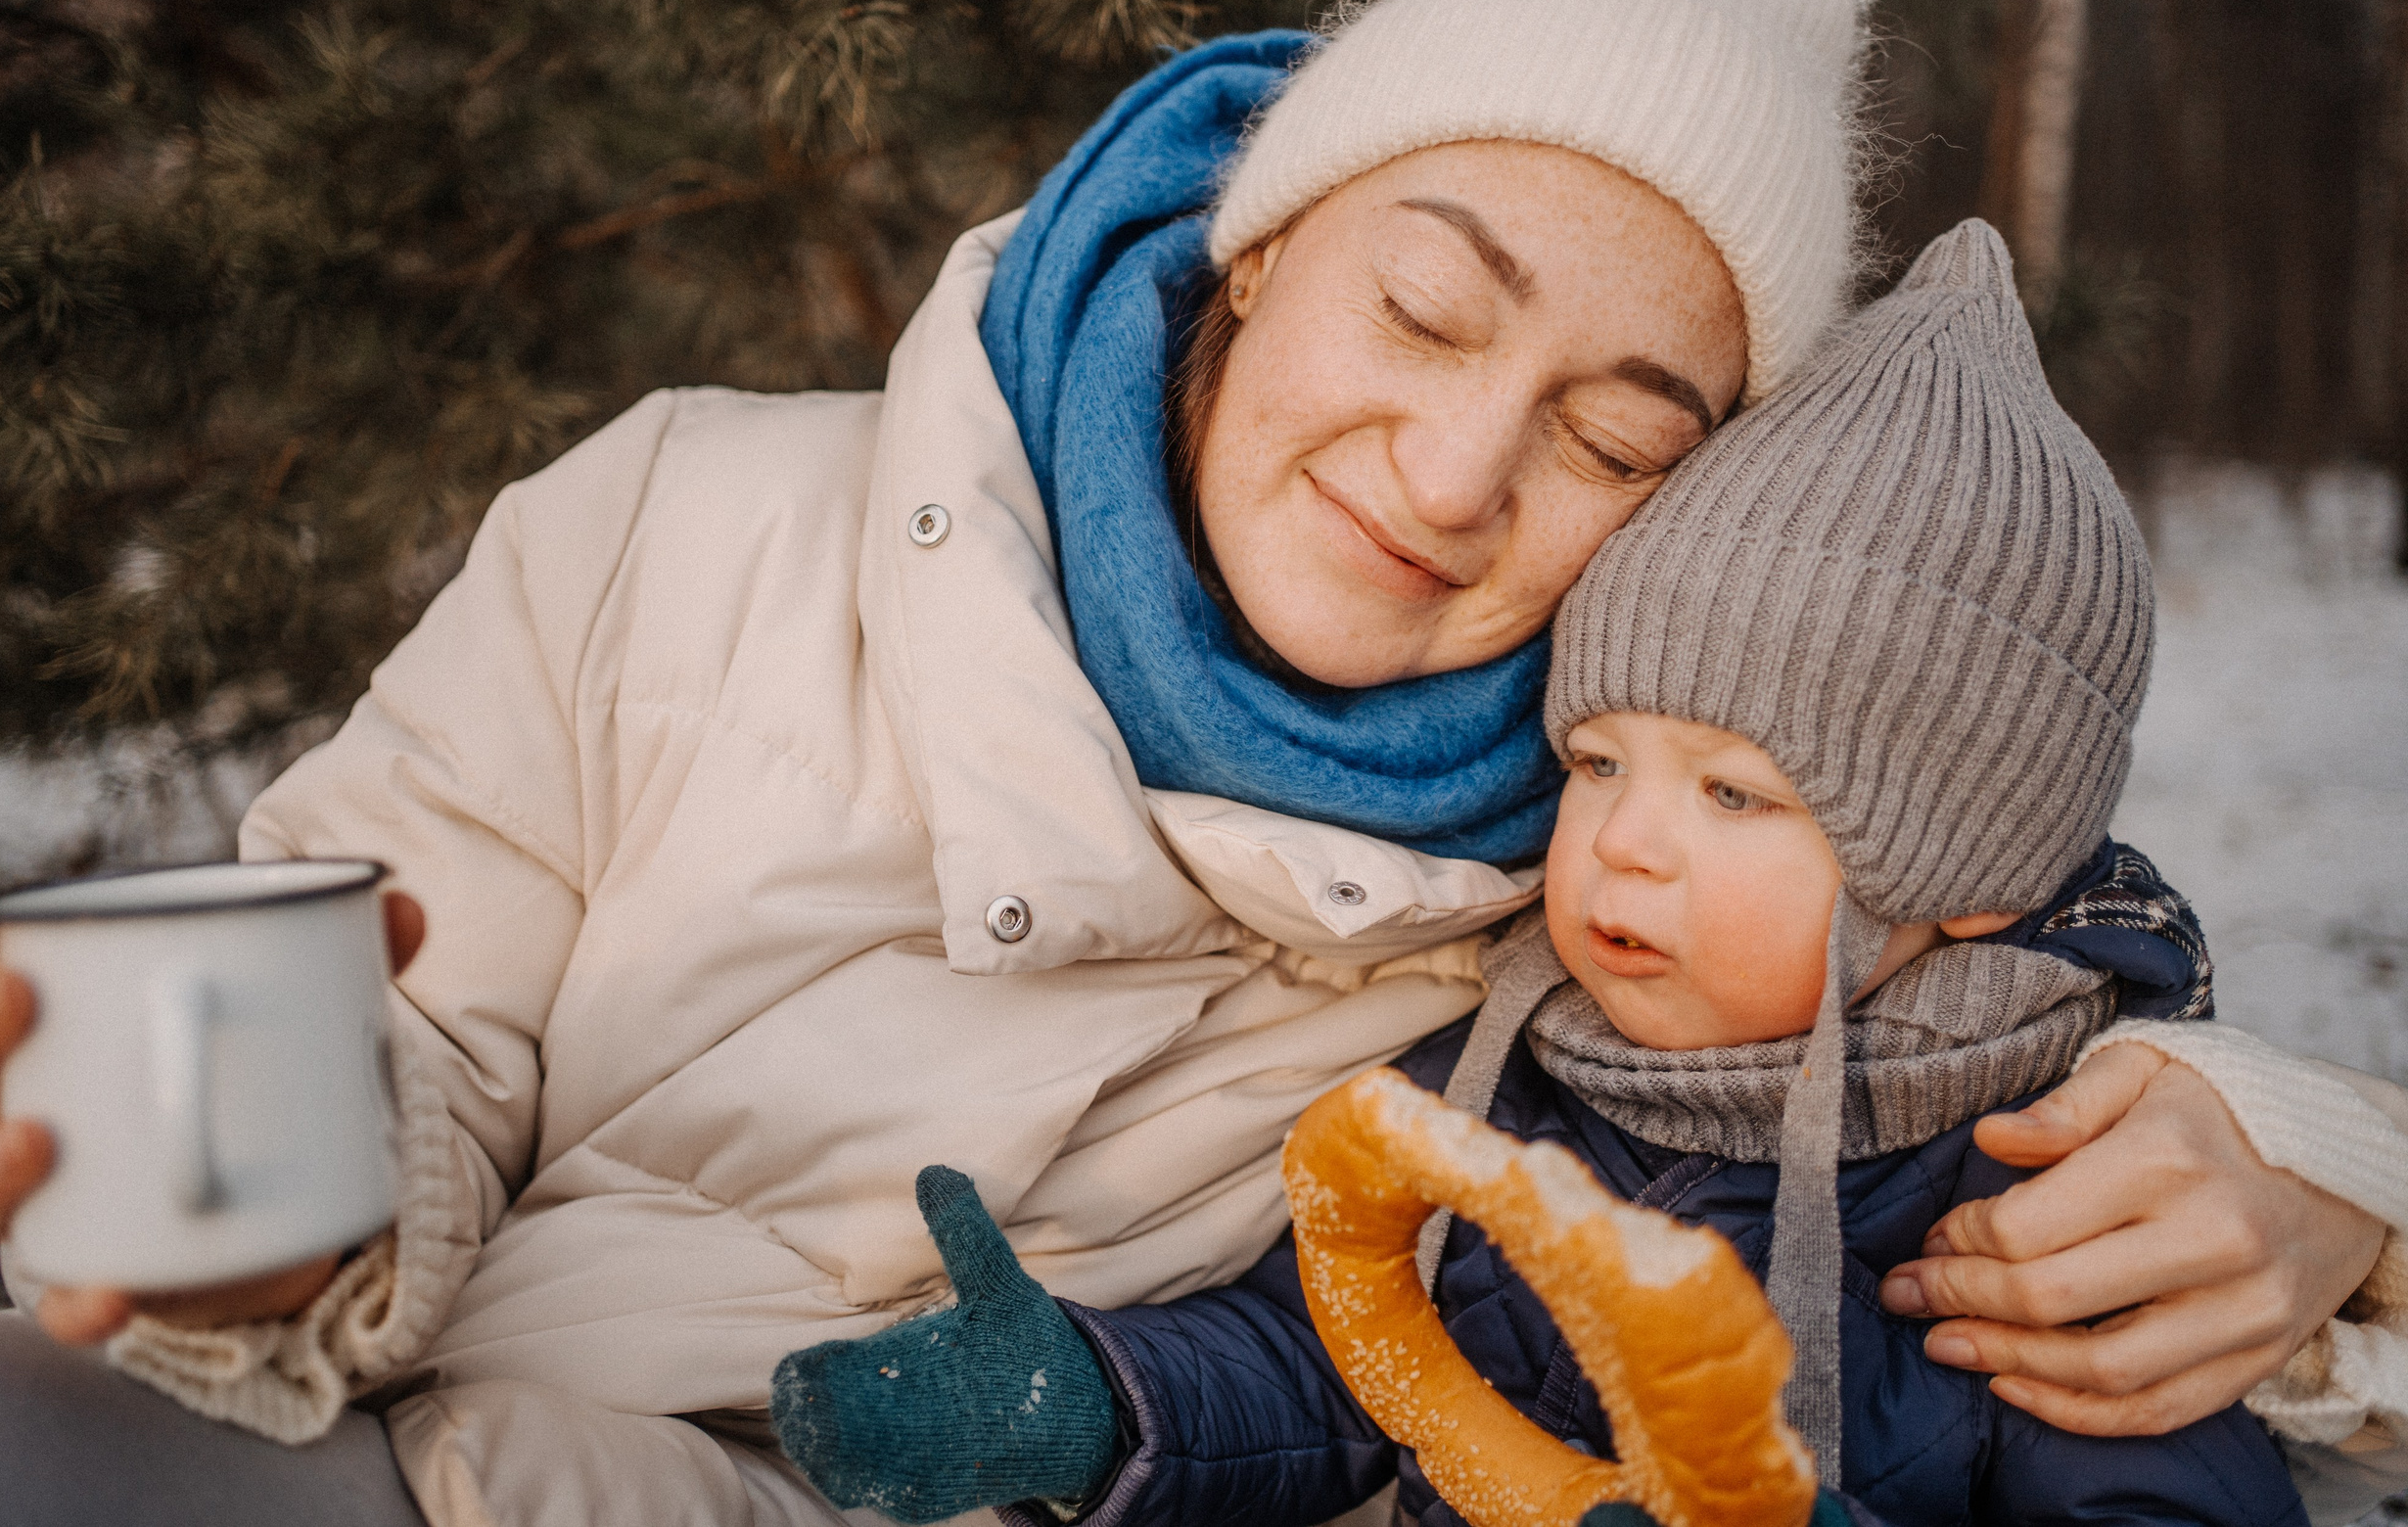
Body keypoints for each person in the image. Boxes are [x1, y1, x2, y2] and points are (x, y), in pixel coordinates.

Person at [0, 0, 2399, 1526]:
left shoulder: (1602, 853)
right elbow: (392, 1012)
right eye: (1422, 309)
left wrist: (2320, 1169)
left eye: (1614, 438)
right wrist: (234, 1182)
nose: (1451, 464)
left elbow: (1995, 933)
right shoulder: (677, 519)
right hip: (370, 1453)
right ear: (1256, 239)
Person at [765, 221, 2324, 1526]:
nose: (1626, 840)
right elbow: (1325, 1363)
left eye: (1734, 793)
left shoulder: (2033, 1200)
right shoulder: (1507, 1086)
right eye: (1597, 763)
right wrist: (1095, 1403)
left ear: (1966, 871)